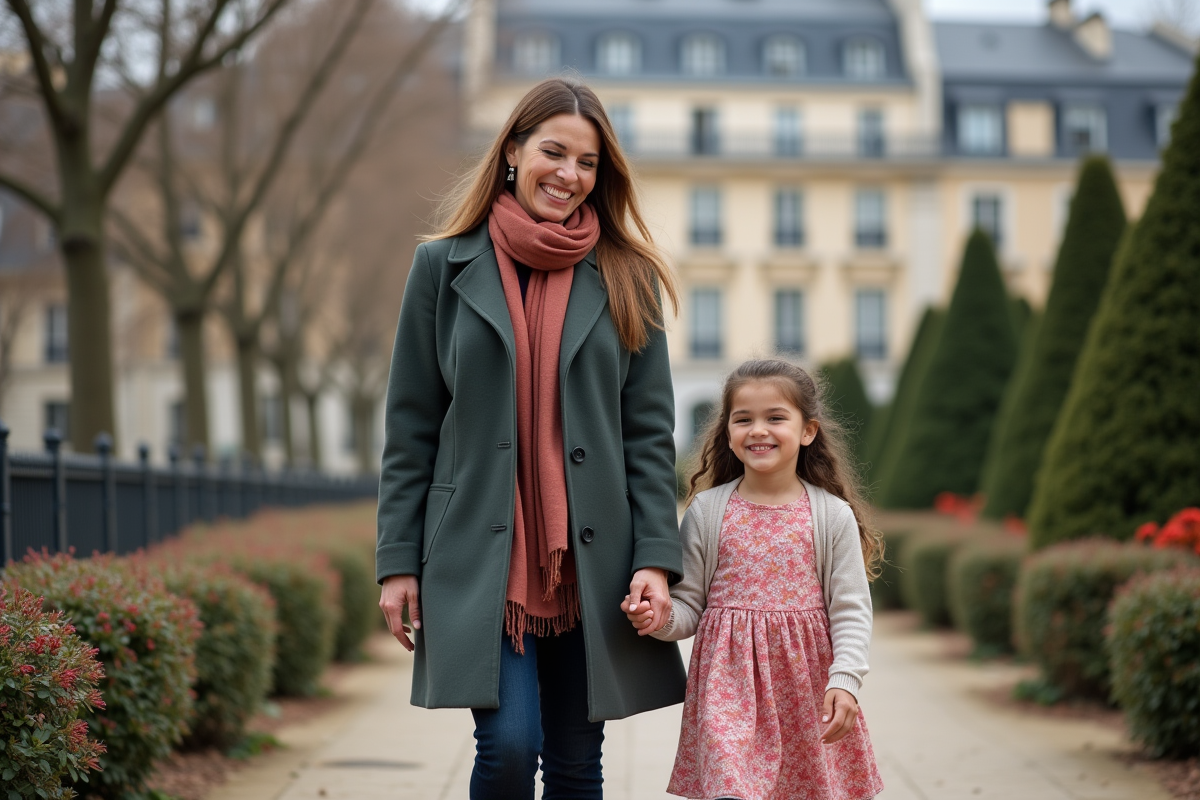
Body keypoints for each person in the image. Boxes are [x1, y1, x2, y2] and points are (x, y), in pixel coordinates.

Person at [376, 77, 686, 800]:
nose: (570, 174)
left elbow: (647, 435)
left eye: (588, 163)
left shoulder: (626, 277)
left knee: (578, 764)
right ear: (513, 151)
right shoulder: (442, 267)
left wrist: (655, 558)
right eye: (554, 151)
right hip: (480, 554)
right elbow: (411, 423)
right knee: (510, 748)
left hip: (595, 559)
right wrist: (397, 560)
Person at [625, 359, 886, 800]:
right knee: (730, 787)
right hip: (727, 693)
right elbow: (690, 603)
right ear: (727, 431)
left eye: (776, 418)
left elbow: (851, 609)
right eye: (743, 419)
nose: (758, 430)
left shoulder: (830, 516)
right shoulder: (708, 511)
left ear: (808, 431)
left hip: (806, 693)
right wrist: (660, 619)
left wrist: (845, 680)